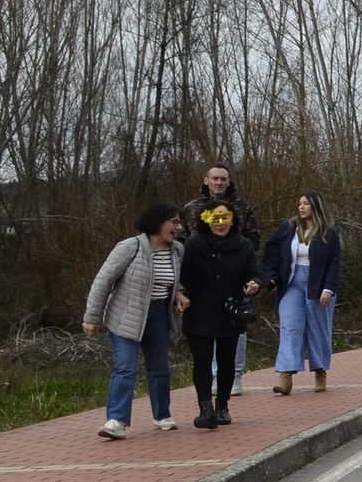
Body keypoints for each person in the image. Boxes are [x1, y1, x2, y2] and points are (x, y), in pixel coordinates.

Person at [83, 204, 188, 438]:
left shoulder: (178, 250)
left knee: (159, 368)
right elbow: (103, 281)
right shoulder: (130, 247)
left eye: (178, 222)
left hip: (160, 315)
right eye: (173, 221)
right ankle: (116, 421)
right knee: (125, 368)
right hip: (126, 316)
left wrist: (179, 293)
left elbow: (172, 280)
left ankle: (162, 414)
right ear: (157, 222)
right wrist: (92, 316)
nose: (177, 227)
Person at [179, 204, 263, 428]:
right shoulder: (194, 244)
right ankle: (205, 408)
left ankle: (222, 406)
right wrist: (181, 295)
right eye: (215, 218)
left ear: (233, 220)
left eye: (225, 218)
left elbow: (254, 272)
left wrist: (255, 283)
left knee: (227, 362)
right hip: (200, 311)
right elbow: (183, 276)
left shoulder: (243, 245)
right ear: (206, 220)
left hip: (230, 311)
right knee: (203, 360)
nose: (220, 223)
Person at [184, 165, 260, 397]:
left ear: (228, 182)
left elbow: (254, 237)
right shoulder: (191, 208)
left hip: (233, 276)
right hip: (202, 280)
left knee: (235, 328)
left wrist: (238, 260)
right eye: (214, 178)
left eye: (223, 179)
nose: (218, 182)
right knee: (204, 339)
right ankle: (208, 390)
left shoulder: (242, 207)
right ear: (206, 180)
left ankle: (234, 377)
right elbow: (181, 240)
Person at [262, 192, 342, 395]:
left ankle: (320, 371)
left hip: (317, 287)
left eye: (306, 203)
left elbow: (334, 264)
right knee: (290, 327)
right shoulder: (288, 228)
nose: (301, 207)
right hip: (291, 284)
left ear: (316, 206)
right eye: (299, 203)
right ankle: (285, 377)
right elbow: (271, 252)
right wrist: (271, 277)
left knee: (318, 329)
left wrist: (328, 289)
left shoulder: (329, 233)